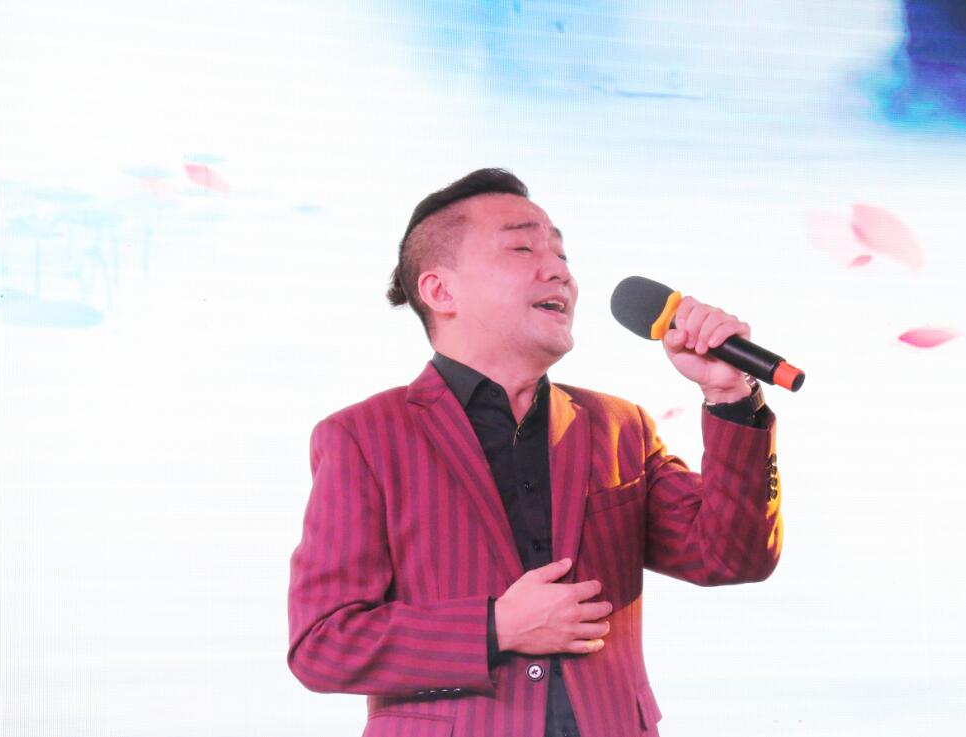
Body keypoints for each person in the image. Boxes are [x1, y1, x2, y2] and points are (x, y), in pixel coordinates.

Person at [287, 169, 783, 737]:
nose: (559, 271)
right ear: (440, 291)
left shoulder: (619, 427)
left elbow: (733, 557)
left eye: (562, 254)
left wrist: (728, 395)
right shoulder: (363, 437)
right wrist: (495, 628)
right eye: (522, 248)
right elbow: (322, 645)